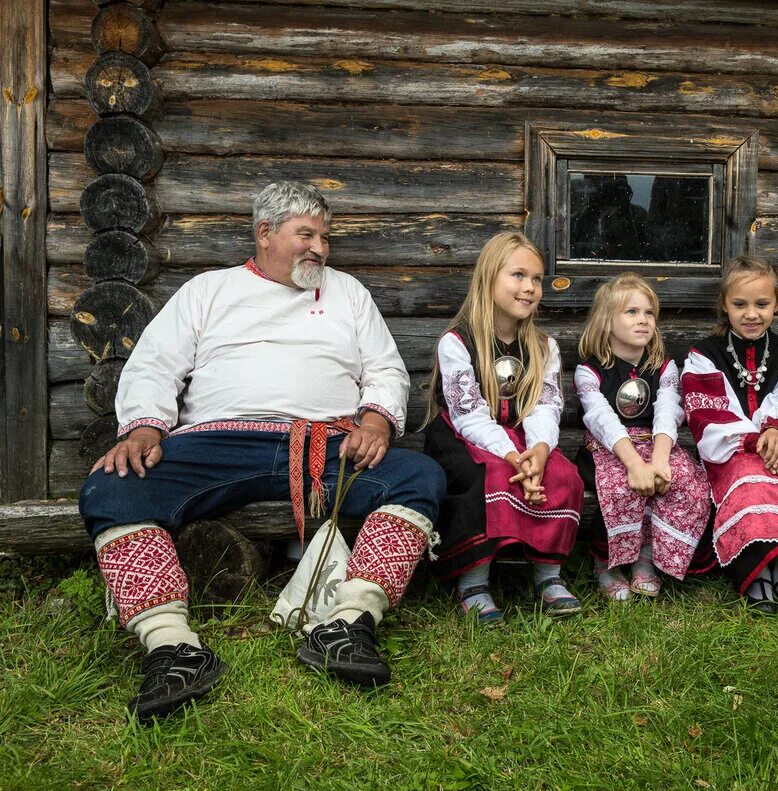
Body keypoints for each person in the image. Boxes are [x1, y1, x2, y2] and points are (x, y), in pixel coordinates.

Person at [78, 182, 447, 721]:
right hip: (216, 446)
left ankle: (346, 627)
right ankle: (172, 648)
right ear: (265, 233)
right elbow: (156, 364)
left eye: (324, 237)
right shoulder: (209, 290)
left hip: (325, 446)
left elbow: (386, 369)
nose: (319, 247)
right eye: (306, 234)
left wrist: (375, 421)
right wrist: (144, 429)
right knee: (112, 485)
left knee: (418, 476)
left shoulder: (348, 293)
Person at [422, 232, 583, 623]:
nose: (529, 287)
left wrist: (540, 451)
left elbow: (545, 405)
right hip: (465, 434)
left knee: (564, 474)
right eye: (518, 275)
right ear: (489, 277)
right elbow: (469, 415)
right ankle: (473, 579)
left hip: (524, 438)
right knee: (491, 474)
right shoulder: (457, 341)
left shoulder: (544, 346)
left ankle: (548, 574)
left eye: (537, 279)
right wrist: (514, 457)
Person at [680, 255, 778, 615]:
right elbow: (707, 413)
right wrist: (754, 439)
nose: (751, 314)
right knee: (749, 479)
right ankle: (756, 575)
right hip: (730, 455)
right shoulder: (704, 355)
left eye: (761, 304)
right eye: (740, 304)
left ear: (776, 304)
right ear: (725, 305)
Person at [573, 273, 710, 601]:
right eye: (631, 312)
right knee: (621, 486)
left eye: (649, 313)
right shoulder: (589, 371)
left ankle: (646, 559)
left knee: (685, 480)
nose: (643, 320)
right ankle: (605, 562)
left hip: (657, 441)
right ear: (607, 321)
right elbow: (601, 419)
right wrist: (635, 464)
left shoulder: (664, 367)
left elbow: (668, 411)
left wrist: (660, 460)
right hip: (610, 447)